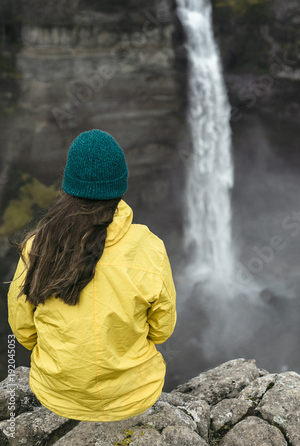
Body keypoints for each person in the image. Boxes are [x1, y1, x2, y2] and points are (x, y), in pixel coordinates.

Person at [7, 129, 177, 422]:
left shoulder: (37, 245)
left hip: (56, 394)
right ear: (120, 186)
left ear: (68, 186)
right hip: (133, 396)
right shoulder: (150, 247)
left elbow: (23, 328)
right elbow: (162, 329)